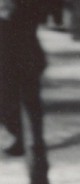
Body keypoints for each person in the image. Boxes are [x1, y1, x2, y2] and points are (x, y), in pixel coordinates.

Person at [0, 0, 46, 158]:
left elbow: (31, 20)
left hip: (26, 58)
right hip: (9, 59)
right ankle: (22, 139)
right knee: (8, 101)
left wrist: (10, 12)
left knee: (30, 102)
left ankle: (34, 142)